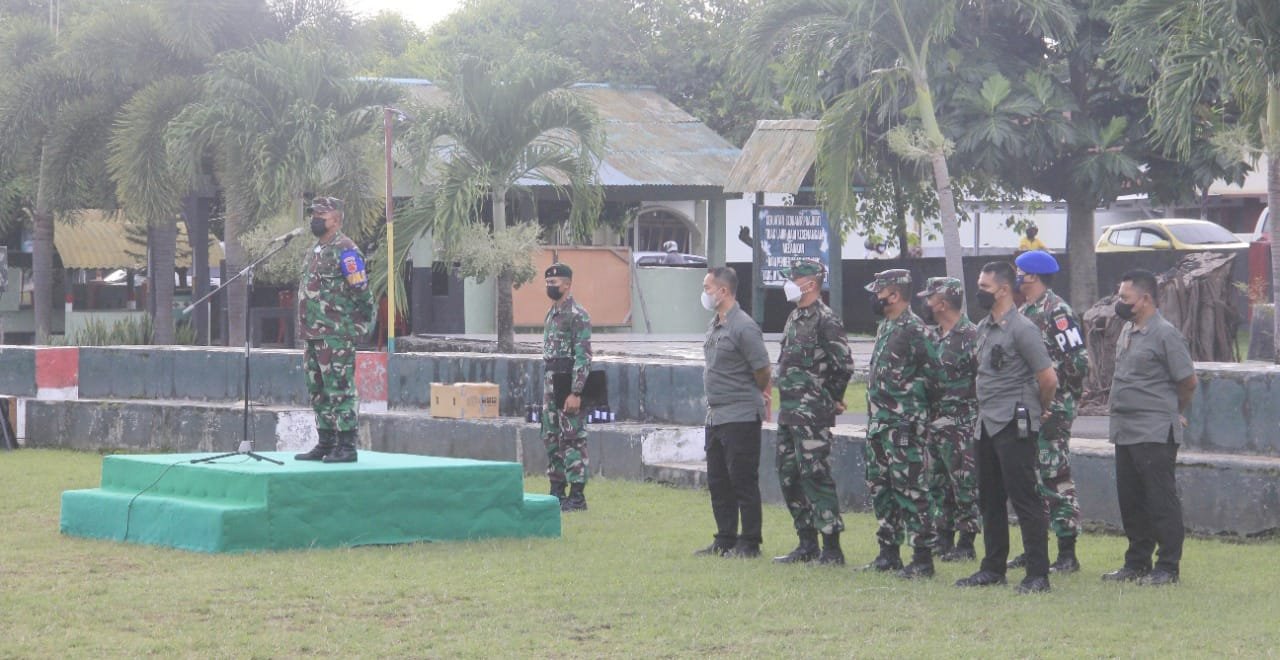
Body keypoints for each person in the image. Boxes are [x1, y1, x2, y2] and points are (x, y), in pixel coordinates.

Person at [956, 261, 1058, 594]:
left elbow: (1048, 377)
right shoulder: (985, 327)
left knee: (1025, 497)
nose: (979, 293)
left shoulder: (1022, 328)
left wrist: (1040, 408)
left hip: (1014, 422)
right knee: (990, 499)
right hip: (987, 422)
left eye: (985, 287)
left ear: (1003, 289)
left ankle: (1037, 573)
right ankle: (993, 567)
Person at [1103, 269, 1196, 586]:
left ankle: (1168, 566)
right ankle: (1137, 562)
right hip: (1125, 429)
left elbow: (1188, 381)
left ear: (1144, 299)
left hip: (1154, 430)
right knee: (1131, 500)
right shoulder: (1128, 329)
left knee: (1160, 500)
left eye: (1124, 297)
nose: (1120, 302)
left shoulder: (1165, 334)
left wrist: (1174, 411)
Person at [1009, 250, 1089, 573]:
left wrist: (1059, 396)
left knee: (1055, 477)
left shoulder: (1057, 312)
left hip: (1053, 409)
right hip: (1030, 406)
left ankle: (1067, 553)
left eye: (1019, 272)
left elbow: (1078, 361)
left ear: (1033, 276)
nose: (1016, 277)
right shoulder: (1025, 310)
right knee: (1031, 478)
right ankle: (1035, 548)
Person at [771, 259, 854, 566]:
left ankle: (832, 547)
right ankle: (806, 543)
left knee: (816, 476)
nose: (789, 283)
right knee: (789, 476)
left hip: (812, 415)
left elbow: (843, 365)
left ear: (811, 283)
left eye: (794, 278)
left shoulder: (826, 320)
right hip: (789, 412)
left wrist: (830, 398)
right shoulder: (794, 317)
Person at [863, 268, 936, 579]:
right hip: (880, 423)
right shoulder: (886, 327)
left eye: (878, 292)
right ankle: (888, 552)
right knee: (882, 489)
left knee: (911, 490)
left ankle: (922, 559)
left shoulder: (915, 330)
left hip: (903, 424)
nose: (874, 298)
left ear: (893, 295)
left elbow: (933, 377)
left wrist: (913, 413)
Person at [696, 266, 771, 558]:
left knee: (742, 480)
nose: (704, 294)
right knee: (718, 481)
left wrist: (753, 395)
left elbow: (762, 370)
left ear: (723, 291)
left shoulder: (743, 326)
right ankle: (725, 538)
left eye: (707, 288)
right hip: (715, 416)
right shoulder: (716, 325)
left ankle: (749, 541)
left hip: (740, 415)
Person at [294, 196, 373, 464]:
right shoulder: (314, 250)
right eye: (314, 214)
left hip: (337, 333)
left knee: (339, 387)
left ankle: (347, 445)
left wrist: (361, 323)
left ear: (336, 219)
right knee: (318, 388)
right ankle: (326, 442)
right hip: (313, 334)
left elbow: (361, 289)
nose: (315, 219)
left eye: (321, 215)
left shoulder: (346, 250)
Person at [917, 277, 981, 562]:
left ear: (942, 303)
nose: (926, 304)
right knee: (937, 485)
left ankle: (966, 543)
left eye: (930, 298)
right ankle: (942, 539)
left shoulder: (972, 336)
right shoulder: (934, 336)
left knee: (965, 485)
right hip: (935, 424)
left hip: (962, 425)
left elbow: (984, 380)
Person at [542, 262, 593, 512]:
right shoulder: (551, 313)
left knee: (572, 438)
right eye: (548, 283)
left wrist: (576, 391)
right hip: (550, 381)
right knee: (551, 437)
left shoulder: (577, 315)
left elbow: (583, 356)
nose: (550, 287)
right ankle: (557, 491)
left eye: (554, 283)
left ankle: (577, 495)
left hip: (568, 382)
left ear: (567, 284)